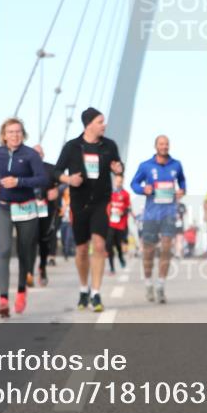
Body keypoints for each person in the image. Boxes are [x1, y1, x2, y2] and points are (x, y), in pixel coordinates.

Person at [54, 107, 124, 312]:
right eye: (101, 121)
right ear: (89, 124)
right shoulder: (72, 146)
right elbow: (56, 171)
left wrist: (119, 169)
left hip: (101, 202)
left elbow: (118, 165)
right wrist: (69, 180)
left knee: (100, 246)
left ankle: (96, 293)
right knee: (82, 249)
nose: (105, 125)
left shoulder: (109, 145)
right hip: (79, 203)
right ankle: (83, 289)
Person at [0, 119, 47, 317]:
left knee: (24, 251)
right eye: (10, 132)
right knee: (3, 250)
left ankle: (21, 291)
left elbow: (42, 178)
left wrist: (19, 181)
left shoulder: (30, 155)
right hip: (3, 207)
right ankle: (3, 298)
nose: (14, 135)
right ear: (4, 135)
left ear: (23, 134)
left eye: (18, 132)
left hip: (26, 208)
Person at [130, 134, 186, 304]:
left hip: (169, 212)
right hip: (151, 214)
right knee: (148, 251)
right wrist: (143, 189)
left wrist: (182, 190)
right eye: (161, 144)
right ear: (156, 146)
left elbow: (182, 182)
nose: (164, 147)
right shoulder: (146, 166)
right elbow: (134, 183)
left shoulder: (176, 165)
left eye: (167, 144)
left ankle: (161, 285)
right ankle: (148, 284)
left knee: (167, 249)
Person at [33, 144, 60, 287]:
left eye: (39, 153)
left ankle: (42, 267)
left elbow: (62, 182)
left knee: (43, 240)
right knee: (28, 239)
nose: (37, 155)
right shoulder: (24, 168)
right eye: (34, 153)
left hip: (46, 209)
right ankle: (27, 272)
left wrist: (56, 189)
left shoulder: (50, 168)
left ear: (43, 155)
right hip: (27, 209)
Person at [106, 173, 131, 273]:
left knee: (117, 244)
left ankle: (120, 257)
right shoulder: (109, 193)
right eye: (117, 181)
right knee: (108, 245)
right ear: (114, 181)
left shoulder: (126, 194)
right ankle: (112, 267)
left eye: (120, 181)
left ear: (122, 182)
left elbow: (128, 208)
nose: (118, 183)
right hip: (110, 223)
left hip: (121, 224)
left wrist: (122, 212)